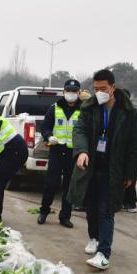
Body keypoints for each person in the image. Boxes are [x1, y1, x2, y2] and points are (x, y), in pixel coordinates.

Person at [69, 69, 137, 270]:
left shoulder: (128, 111)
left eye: (103, 88)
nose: (99, 92)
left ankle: (104, 253)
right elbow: (80, 130)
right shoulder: (89, 107)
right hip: (91, 166)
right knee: (90, 207)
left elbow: (134, 145)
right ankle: (94, 238)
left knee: (107, 211)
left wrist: (131, 174)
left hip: (114, 169)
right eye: (96, 88)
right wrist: (81, 151)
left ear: (113, 88)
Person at [37, 79, 82, 228]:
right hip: (57, 150)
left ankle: (65, 217)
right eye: (69, 90)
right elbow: (45, 127)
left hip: (73, 153)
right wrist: (49, 136)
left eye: (74, 91)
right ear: (64, 92)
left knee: (70, 186)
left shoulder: (84, 109)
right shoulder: (54, 108)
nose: (71, 93)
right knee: (51, 183)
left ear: (79, 93)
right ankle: (44, 211)